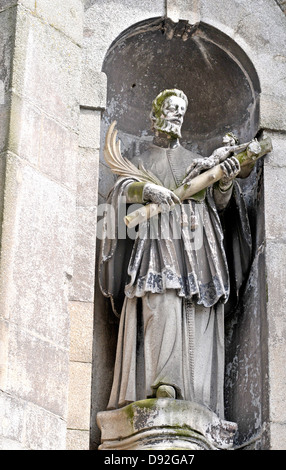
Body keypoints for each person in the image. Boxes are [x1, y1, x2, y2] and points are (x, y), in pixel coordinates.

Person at [99, 89, 252, 419]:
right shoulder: (140, 159)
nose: (178, 116)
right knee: (162, 301)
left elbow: (221, 206)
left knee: (201, 309)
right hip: (159, 245)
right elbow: (119, 193)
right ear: (155, 116)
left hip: (201, 248)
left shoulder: (197, 161)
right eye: (171, 109)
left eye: (182, 110)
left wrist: (224, 183)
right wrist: (147, 189)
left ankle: (200, 398)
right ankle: (163, 384)